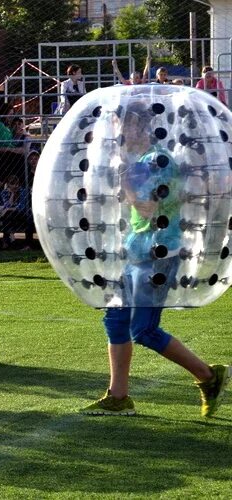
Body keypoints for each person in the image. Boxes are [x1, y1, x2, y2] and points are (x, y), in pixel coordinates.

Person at [79, 103, 230, 417]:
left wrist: (124, 182)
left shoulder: (158, 161)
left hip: (158, 253)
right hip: (135, 250)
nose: (117, 134)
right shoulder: (136, 161)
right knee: (116, 318)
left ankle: (208, 375)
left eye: (123, 126)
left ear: (140, 126)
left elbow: (148, 208)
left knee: (144, 330)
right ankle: (118, 397)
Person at [0, 175, 29, 250]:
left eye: (17, 184)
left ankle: (7, 242)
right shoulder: (4, 192)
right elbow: (7, 205)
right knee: (8, 215)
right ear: (8, 185)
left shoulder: (22, 191)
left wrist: (9, 209)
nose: (15, 186)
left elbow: (21, 207)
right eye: (13, 184)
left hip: (21, 215)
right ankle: (12, 240)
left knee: (6, 215)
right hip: (10, 217)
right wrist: (12, 194)